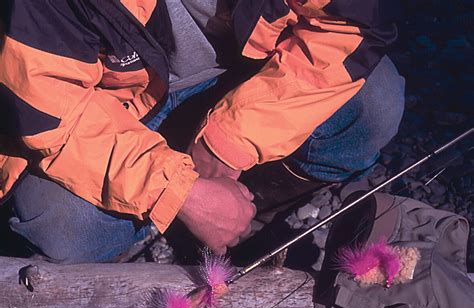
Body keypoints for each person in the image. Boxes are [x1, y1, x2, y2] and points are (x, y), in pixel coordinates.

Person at [0, 0, 405, 263]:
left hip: (245, 74)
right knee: (61, 228)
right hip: (114, 106)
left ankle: (245, 214)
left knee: (376, 103)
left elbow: (349, 28)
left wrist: (229, 143)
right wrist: (179, 193)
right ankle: (187, 222)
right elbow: (50, 113)